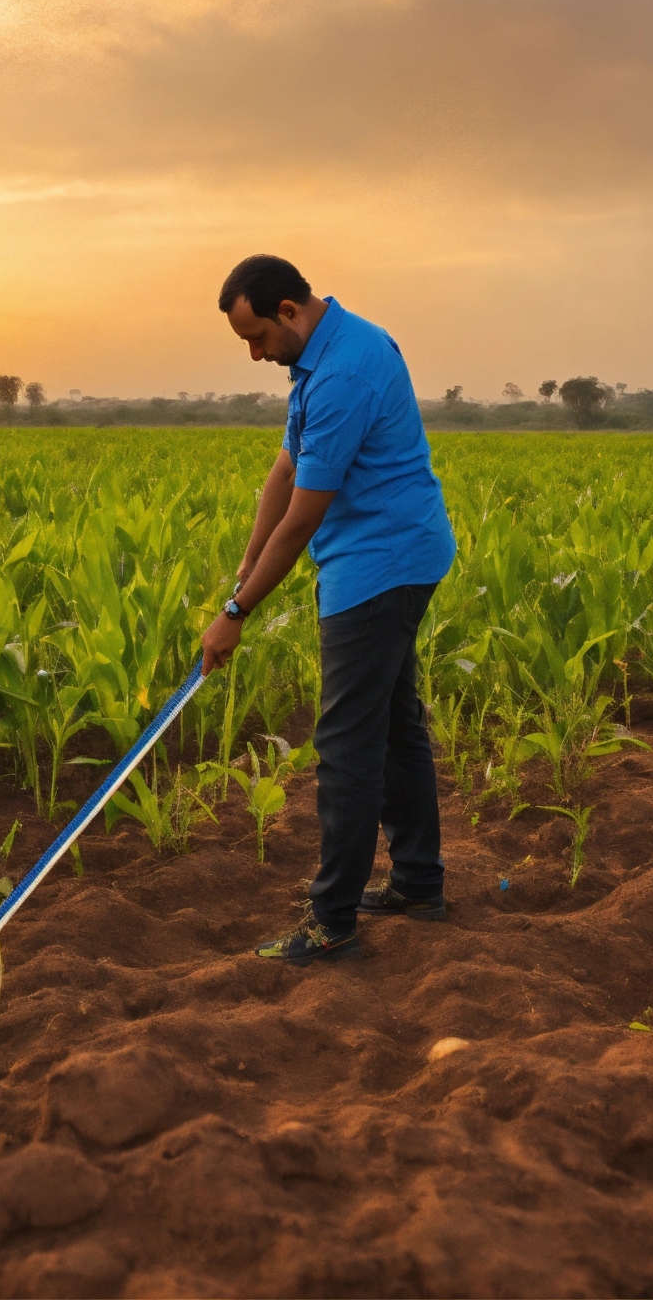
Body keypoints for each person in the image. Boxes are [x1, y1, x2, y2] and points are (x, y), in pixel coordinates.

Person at [201, 254, 456, 965]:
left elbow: (302, 519)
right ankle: (417, 885)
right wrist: (247, 565)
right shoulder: (328, 351)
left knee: (345, 745)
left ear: (289, 309)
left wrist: (236, 611)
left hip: (380, 565)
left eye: (257, 337)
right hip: (397, 550)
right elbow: (285, 469)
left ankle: (332, 922)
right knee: (398, 727)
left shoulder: (342, 373)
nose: (255, 355)